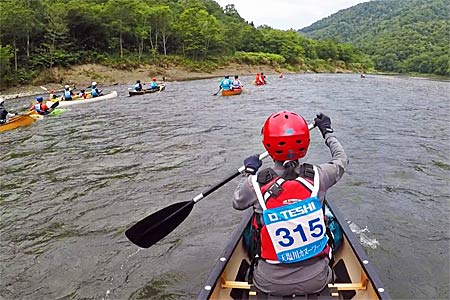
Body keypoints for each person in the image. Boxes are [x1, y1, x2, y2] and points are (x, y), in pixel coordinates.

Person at [232, 111, 348, 297]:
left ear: (267, 145)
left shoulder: (254, 184)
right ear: (306, 144)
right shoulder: (320, 175)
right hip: (317, 279)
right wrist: (328, 132)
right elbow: (341, 160)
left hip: (269, 282)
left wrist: (248, 172)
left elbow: (237, 202)